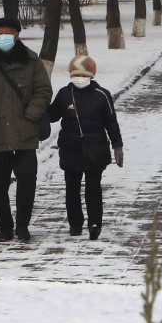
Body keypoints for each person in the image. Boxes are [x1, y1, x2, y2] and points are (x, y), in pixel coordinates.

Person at [0, 16, 53, 242]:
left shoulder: (32, 62)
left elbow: (43, 91)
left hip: (25, 132)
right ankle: (4, 227)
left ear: (17, 35)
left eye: (7, 34)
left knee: (27, 181)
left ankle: (23, 226)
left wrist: (32, 114)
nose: (2, 38)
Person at [49, 55, 123, 240]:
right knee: (72, 188)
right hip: (70, 148)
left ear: (91, 75)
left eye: (83, 74)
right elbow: (52, 116)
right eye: (76, 74)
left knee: (93, 187)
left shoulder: (102, 95)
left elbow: (111, 122)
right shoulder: (64, 94)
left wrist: (117, 145)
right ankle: (75, 224)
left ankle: (95, 224)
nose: (80, 78)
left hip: (94, 149)